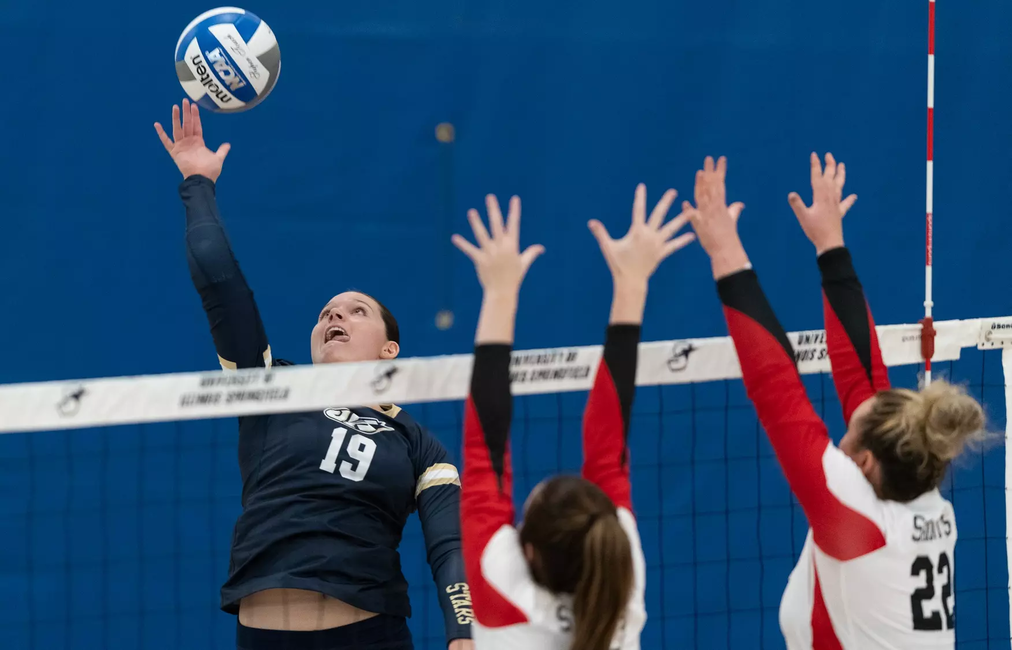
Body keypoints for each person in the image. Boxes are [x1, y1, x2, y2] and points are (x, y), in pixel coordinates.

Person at [153, 99, 474, 650]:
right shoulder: (271, 388)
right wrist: (198, 182)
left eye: (355, 311)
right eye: (326, 312)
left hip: (370, 636)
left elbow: (448, 545)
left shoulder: (421, 446)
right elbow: (219, 283)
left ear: (388, 349)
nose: (334, 316)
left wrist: (462, 633)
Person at [686, 153, 985, 649]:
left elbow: (776, 388)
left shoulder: (856, 521)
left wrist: (725, 253)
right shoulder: (919, 493)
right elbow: (863, 378)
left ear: (863, 462)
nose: (845, 417)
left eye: (848, 428)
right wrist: (830, 246)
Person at [453, 187, 695, 649]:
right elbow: (489, 454)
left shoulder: (507, 589)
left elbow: (606, 452)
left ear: (529, 553)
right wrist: (501, 293)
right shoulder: (620, 590)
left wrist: (631, 287)